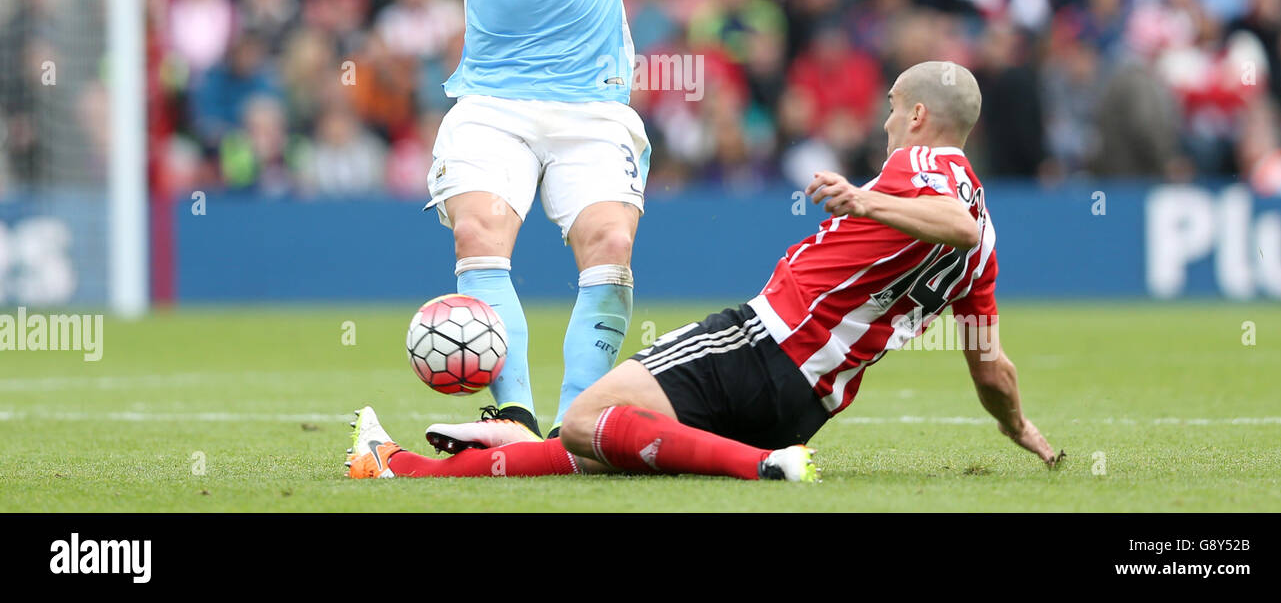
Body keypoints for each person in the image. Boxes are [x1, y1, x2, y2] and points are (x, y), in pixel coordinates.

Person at [196, 0, 818, 443]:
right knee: (480, 232)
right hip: (491, 102)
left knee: (610, 245)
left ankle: (577, 426)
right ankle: (515, 413)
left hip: (595, 105)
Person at [344, 62, 1063, 481]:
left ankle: (765, 468)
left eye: (889, 113)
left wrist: (861, 195)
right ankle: (397, 466)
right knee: (599, 447)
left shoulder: (922, 164)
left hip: (760, 343)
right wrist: (1020, 425)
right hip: (809, 404)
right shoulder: (988, 243)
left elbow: (953, 219)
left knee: (586, 417)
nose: (883, 126)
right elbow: (990, 365)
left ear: (915, 114)